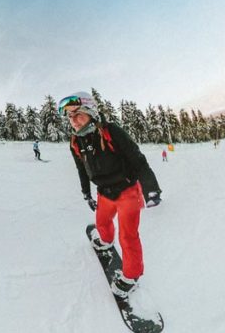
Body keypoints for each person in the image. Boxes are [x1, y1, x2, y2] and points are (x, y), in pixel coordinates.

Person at [59, 91, 161, 298]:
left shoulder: (111, 131)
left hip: (128, 191)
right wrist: (86, 193)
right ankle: (105, 240)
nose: (74, 121)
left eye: (78, 114)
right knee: (102, 221)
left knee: (128, 235)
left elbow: (137, 159)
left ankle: (131, 276)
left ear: (90, 112)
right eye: (70, 116)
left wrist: (151, 188)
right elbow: (81, 169)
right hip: (103, 192)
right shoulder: (75, 141)